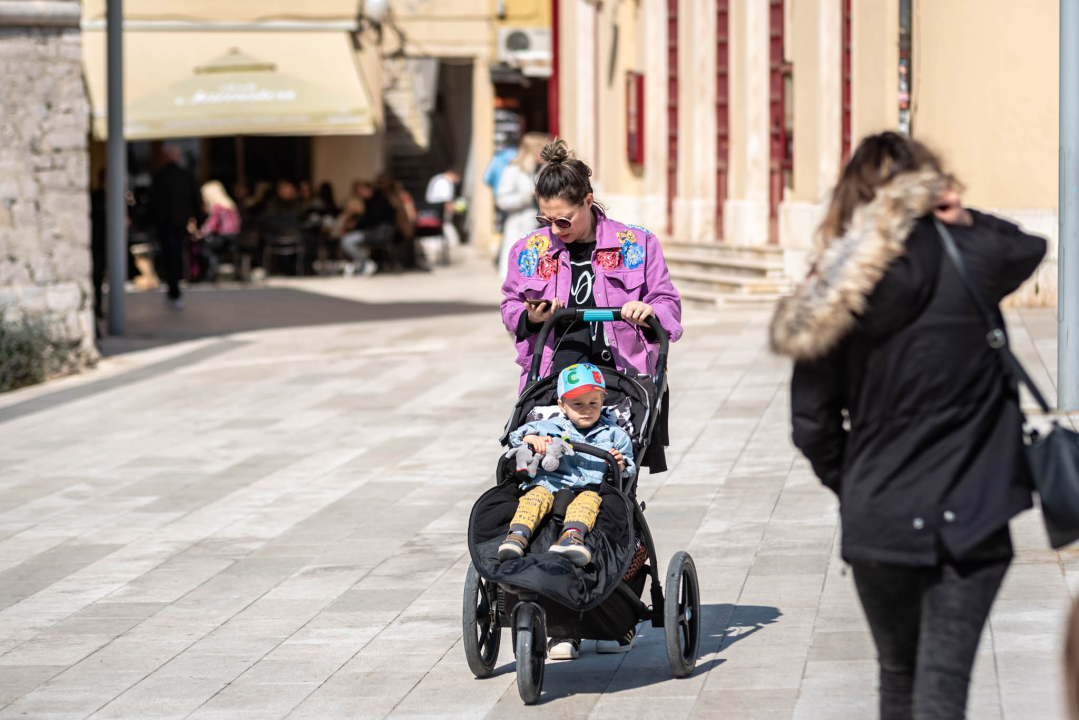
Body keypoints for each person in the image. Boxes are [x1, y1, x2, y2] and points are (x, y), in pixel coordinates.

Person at [770, 132, 1047, 720]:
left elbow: (812, 424)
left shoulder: (835, 289)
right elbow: (1027, 246)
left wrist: (859, 484)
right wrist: (958, 211)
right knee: (942, 687)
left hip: (880, 516)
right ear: (927, 187)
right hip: (973, 513)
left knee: (899, 678)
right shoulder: (972, 255)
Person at [500, 138, 683, 660]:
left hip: (620, 381)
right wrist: (533, 314)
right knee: (540, 480)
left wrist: (648, 313)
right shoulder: (532, 251)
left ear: (588, 201)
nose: (553, 229)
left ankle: (607, 604)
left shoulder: (636, 244)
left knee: (607, 486)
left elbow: (668, 304)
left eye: (563, 220)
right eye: (545, 219)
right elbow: (512, 306)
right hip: (553, 381)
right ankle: (557, 616)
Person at [499, 363, 635, 568]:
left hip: (588, 487)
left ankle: (571, 537)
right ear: (562, 406)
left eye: (593, 403)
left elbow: (629, 464)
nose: (587, 409)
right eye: (577, 404)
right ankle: (517, 535)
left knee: (588, 502)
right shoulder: (548, 426)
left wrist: (621, 463)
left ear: (602, 401)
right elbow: (515, 436)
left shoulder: (614, 433)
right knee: (533, 498)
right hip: (550, 483)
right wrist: (531, 438)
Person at [148, 144, 201, 308]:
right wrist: (198, 220)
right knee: (176, 255)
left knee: (169, 256)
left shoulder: (160, 176)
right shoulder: (186, 175)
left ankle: (174, 290)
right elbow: (196, 201)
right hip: (179, 223)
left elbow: (152, 202)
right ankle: (175, 289)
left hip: (164, 224)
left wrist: (147, 222)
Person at [496, 132, 549, 279]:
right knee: (519, 273)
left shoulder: (545, 170)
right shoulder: (513, 170)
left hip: (542, 226)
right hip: (520, 225)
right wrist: (528, 196)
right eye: (541, 150)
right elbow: (502, 200)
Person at [333, 181, 396, 276]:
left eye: (360, 191)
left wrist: (356, 225)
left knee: (347, 241)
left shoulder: (377, 201)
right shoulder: (371, 201)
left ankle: (365, 263)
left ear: (367, 189)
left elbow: (372, 220)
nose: (359, 194)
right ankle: (363, 264)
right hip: (374, 231)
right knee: (347, 239)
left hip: (378, 232)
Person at [196, 180, 241, 283]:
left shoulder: (216, 207)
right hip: (234, 237)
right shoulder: (230, 205)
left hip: (224, 237)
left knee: (205, 248)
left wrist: (199, 233)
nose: (203, 198)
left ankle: (210, 275)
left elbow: (211, 225)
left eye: (205, 195)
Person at [425, 167, 462, 249]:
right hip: (439, 219)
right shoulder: (445, 182)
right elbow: (446, 203)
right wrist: (457, 209)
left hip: (434, 216)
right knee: (451, 242)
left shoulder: (438, 179)